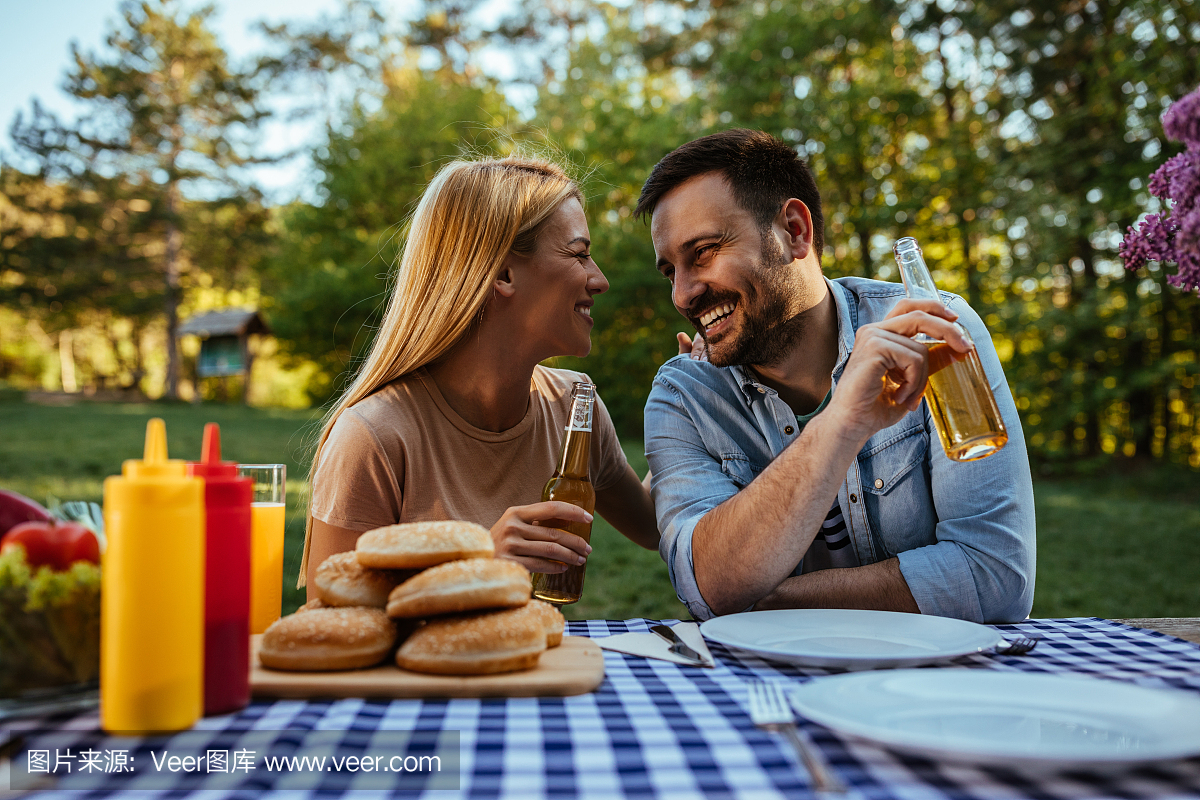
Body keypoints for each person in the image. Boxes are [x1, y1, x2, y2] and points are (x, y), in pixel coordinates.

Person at [636, 129, 1035, 623]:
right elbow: (710, 584)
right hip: (763, 688)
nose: (681, 295)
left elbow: (995, 578)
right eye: (669, 271)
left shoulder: (933, 334)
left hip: (933, 682)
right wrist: (839, 424)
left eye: (703, 252)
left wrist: (768, 600)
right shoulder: (683, 398)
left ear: (794, 231)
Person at [300, 154, 659, 594]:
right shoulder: (373, 437)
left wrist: (690, 401)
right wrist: (475, 561)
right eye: (580, 254)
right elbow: (332, 620)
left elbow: (656, 529)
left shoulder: (575, 410)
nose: (599, 279)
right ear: (504, 272)